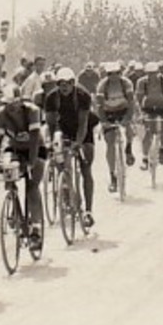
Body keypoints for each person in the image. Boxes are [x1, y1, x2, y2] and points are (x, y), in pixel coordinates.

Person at [0, 84, 46, 249]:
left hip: (36, 148)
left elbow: (35, 138)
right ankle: (15, 207)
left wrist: (32, 162)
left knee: (32, 186)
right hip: (14, 149)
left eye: (15, 105)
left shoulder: (33, 111)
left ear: (21, 102)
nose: (12, 109)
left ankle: (36, 228)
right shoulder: (0, 114)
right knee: (9, 174)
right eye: (8, 105)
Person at [46, 67, 99, 228]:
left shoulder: (83, 96)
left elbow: (83, 124)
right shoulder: (51, 97)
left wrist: (78, 143)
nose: (65, 87)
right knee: (61, 160)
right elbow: (50, 124)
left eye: (68, 83)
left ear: (73, 83)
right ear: (57, 84)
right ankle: (68, 192)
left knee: (85, 167)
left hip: (84, 127)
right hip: (64, 127)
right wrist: (51, 144)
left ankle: (88, 210)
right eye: (61, 84)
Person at [95, 59, 137, 183]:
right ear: (107, 75)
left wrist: (127, 118)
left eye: (116, 73)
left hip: (123, 109)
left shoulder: (126, 83)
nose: (113, 76)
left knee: (129, 128)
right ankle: (112, 174)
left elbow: (131, 102)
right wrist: (104, 122)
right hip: (108, 112)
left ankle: (128, 148)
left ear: (120, 73)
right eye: (110, 74)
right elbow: (99, 106)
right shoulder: (102, 85)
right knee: (110, 142)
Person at [134, 60, 163, 169]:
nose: (152, 76)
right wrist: (140, 114)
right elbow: (138, 99)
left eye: (154, 73)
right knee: (148, 131)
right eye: (149, 73)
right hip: (148, 108)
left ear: (158, 72)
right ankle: (145, 158)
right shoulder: (142, 82)